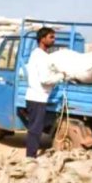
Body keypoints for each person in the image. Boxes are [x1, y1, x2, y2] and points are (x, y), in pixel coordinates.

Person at [24, 27, 64, 158]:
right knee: (35, 130)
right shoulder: (40, 56)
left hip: (37, 97)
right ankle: (30, 157)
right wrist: (61, 76)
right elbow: (45, 79)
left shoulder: (38, 54)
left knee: (35, 128)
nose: (54, 40)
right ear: (42, 39)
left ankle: (31, 155)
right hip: (37, 97)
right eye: (51, 37)